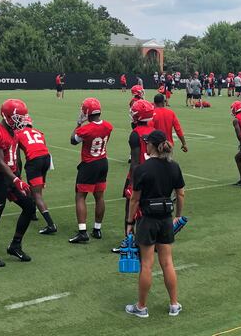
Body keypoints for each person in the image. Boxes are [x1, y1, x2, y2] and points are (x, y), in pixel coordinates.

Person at [124, 130, 185, 318]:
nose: (146, 145)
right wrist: (178, 215)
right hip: (166, 218)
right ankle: (174, 304)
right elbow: (181, 194)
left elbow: (135, 199)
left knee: (147, 265)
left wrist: (129, 222)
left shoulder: (142, 169)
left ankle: (141, 307)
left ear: (152, 145)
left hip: (147, 219)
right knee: (167, 262)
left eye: (147, 142)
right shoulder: (174, 166)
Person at [0, 99, 36, 267]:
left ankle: (15, 245)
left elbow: (15, 158)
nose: (22, 121)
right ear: (8, 116)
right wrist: (15, 180)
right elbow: (0, 162)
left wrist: (18, 176)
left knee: (29, 206)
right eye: (19, 117)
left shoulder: (13, 131)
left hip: (12, 178)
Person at [69, 98, 114, 243]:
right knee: (99, 196)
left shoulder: (85, 129)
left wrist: (78, 123)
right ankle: (97, 229)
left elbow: (73, 140)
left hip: (89, 164)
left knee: (80, 196)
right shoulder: (108, 126)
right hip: (103, 161)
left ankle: (82, 232)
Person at [15, 115, 55, 234]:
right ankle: (32, 213)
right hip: (46, 159)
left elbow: (18, 159)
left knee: (37, 194)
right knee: (36, 188)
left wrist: (18, 175)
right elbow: (44, 152)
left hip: (34, 161)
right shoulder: (39, 132)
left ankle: (51, 225)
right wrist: (44, 179)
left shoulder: (17, 134)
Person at [121, 100, 155, 240]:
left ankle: (128, 240)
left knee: (130, 209)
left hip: (139, 175)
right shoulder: (154, 131)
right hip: (153, 174)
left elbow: (135, 162)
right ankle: (149, 240)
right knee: (149, 209)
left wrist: (131, 183)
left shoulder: (135, 134)